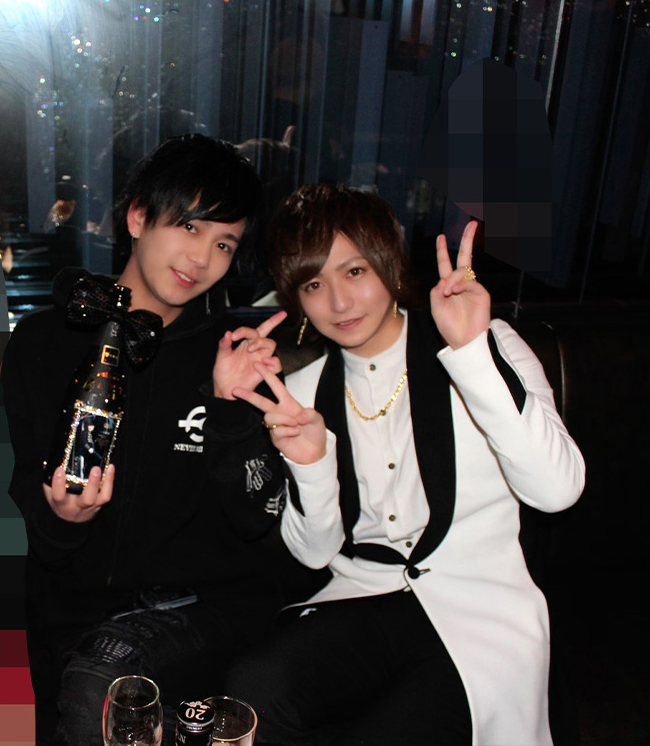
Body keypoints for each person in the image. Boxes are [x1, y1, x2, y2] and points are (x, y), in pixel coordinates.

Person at [224, 184, 585, 745]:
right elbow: (315, 553)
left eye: (355, 271)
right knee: (250, 695)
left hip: (479, 607)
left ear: (390, 266)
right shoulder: (302, 390)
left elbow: (558, 491)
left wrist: (472, 356)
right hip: (361, 597)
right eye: (314, 284)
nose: (339, 303)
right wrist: (313, 464)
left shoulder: (485, 346)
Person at [1, 134, 290, 745]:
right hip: (70, 610)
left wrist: (230, 411)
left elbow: (257, 519)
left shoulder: (233, 357)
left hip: (199, 611)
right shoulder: (43, 343)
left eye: (224, 243)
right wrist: (63, 519)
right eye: (189, 226)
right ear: (137, 217)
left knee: (103, 688)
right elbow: (22, 489)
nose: (201, 258)